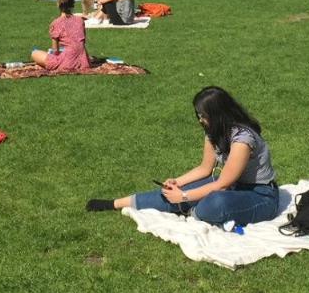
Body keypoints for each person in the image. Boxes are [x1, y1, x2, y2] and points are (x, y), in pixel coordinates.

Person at [85, 86, 279, 228]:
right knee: (171, 192)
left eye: (202, 115)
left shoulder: (242, 140)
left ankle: (195, 211)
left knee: (215, 202)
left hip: (260, 195)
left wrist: (184, 196)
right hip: (231, 187)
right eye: (198, 115)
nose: (199, 120)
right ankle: (115, 203)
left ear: (218, 114)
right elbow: (204, 169)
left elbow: (221, 184)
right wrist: (178, 183)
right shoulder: (214, 131)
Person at [31, 0, 90, 71]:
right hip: (83, 61)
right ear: (73, 4)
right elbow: (82, 43)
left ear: (58, 4)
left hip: (67, 62)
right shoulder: (80, 21)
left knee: (35, 53)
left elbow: (55, 50)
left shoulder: (56, 23)